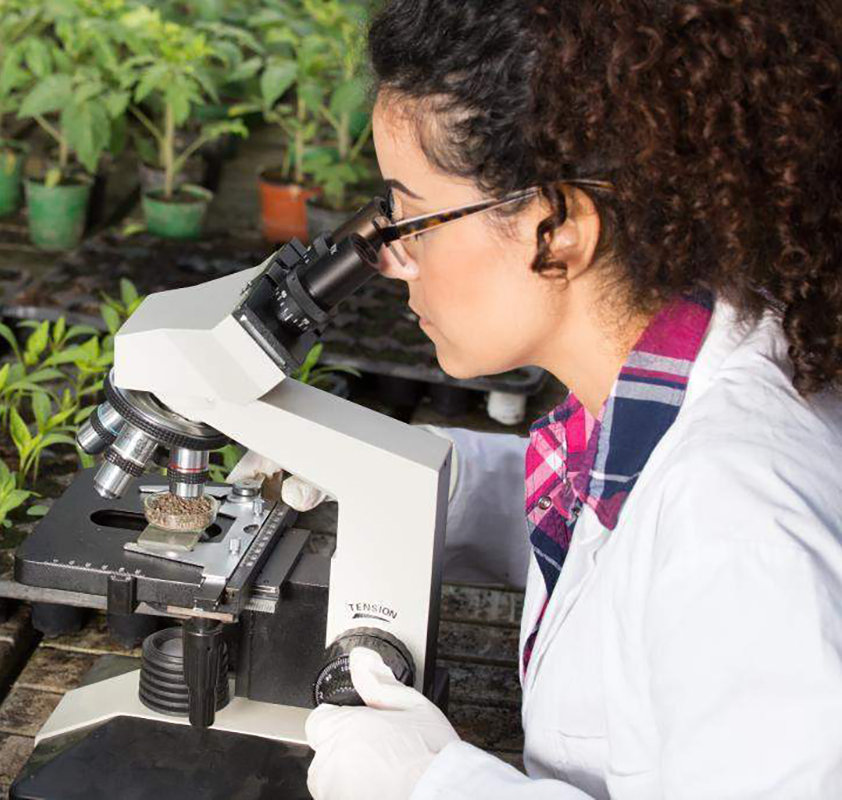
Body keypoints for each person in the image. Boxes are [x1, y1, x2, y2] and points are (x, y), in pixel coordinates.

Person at [232, 1, 842, 797]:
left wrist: (434, 785)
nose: (390, 263)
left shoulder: (739, 523)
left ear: (558, 231)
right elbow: (621, 559)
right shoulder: (674, 373)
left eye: (412, 219)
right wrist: (399, 481)